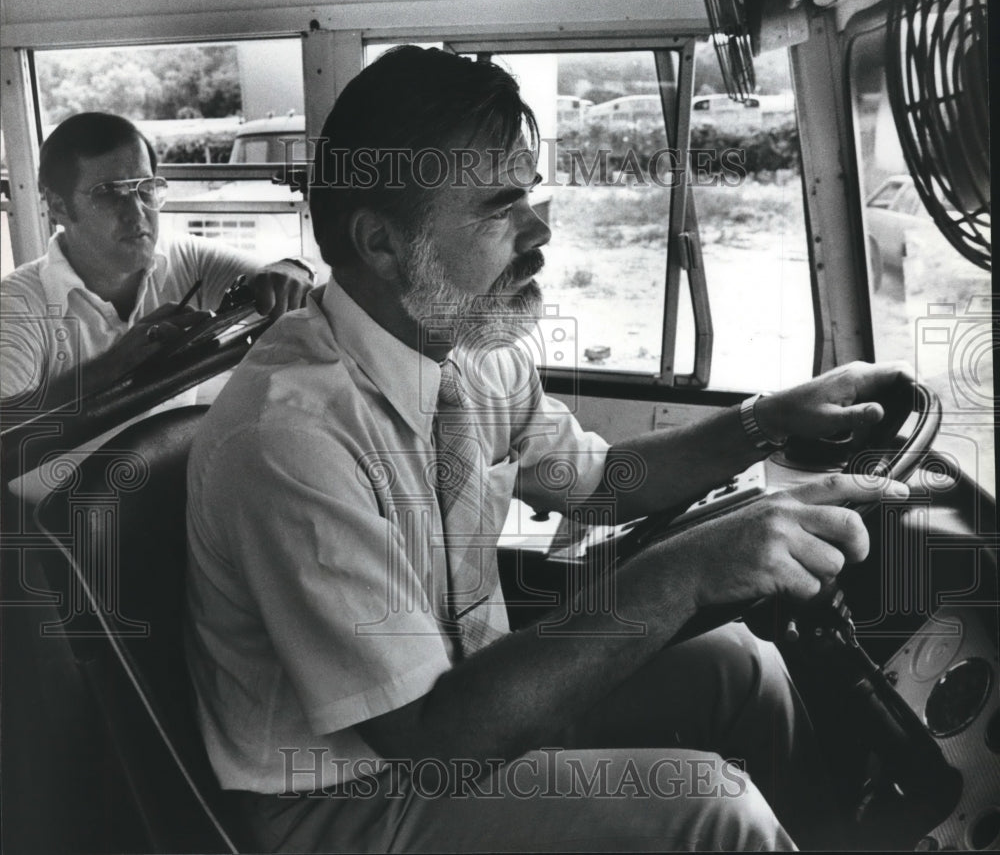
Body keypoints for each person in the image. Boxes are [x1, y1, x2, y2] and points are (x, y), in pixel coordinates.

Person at [185, 46, 910, 852]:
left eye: (531, 195)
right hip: (348, 795)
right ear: (383, 244)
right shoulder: (288, 437)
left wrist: (770, 419)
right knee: (714, 806)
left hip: (472, 704)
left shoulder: (471, 348)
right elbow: (432, 737)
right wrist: (690, 570)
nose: (541, 231)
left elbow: (604, 480)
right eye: (500, 208)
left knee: (742, 665)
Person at [0, 111, 314, 413]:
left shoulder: (186, 261)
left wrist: (292, 268)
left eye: (146, 188)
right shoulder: (17, 304)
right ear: (59, 206)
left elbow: (287, 277)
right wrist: (112, 367)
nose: (136, 212)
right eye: (108, 193)